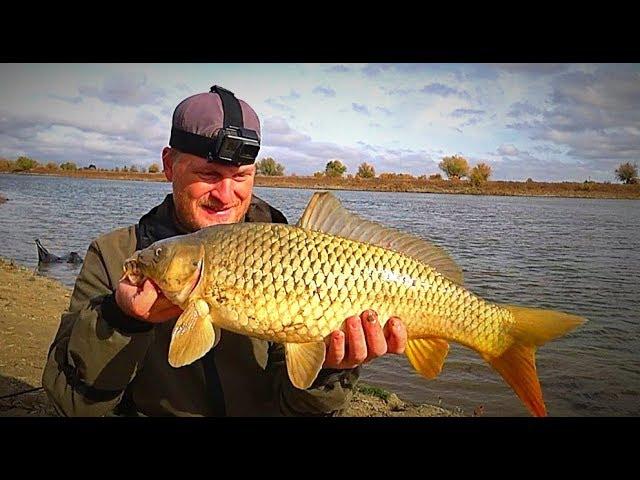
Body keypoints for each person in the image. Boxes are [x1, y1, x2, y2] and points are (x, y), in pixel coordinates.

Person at [42, 85, 408, 417]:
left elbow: (300, 411)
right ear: (169, 164)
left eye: (241, 177)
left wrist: (331, 372)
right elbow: (70, 404)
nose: (225, 195)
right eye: (209, 175)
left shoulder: (293, 253)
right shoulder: (114, 255)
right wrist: (120, 320)